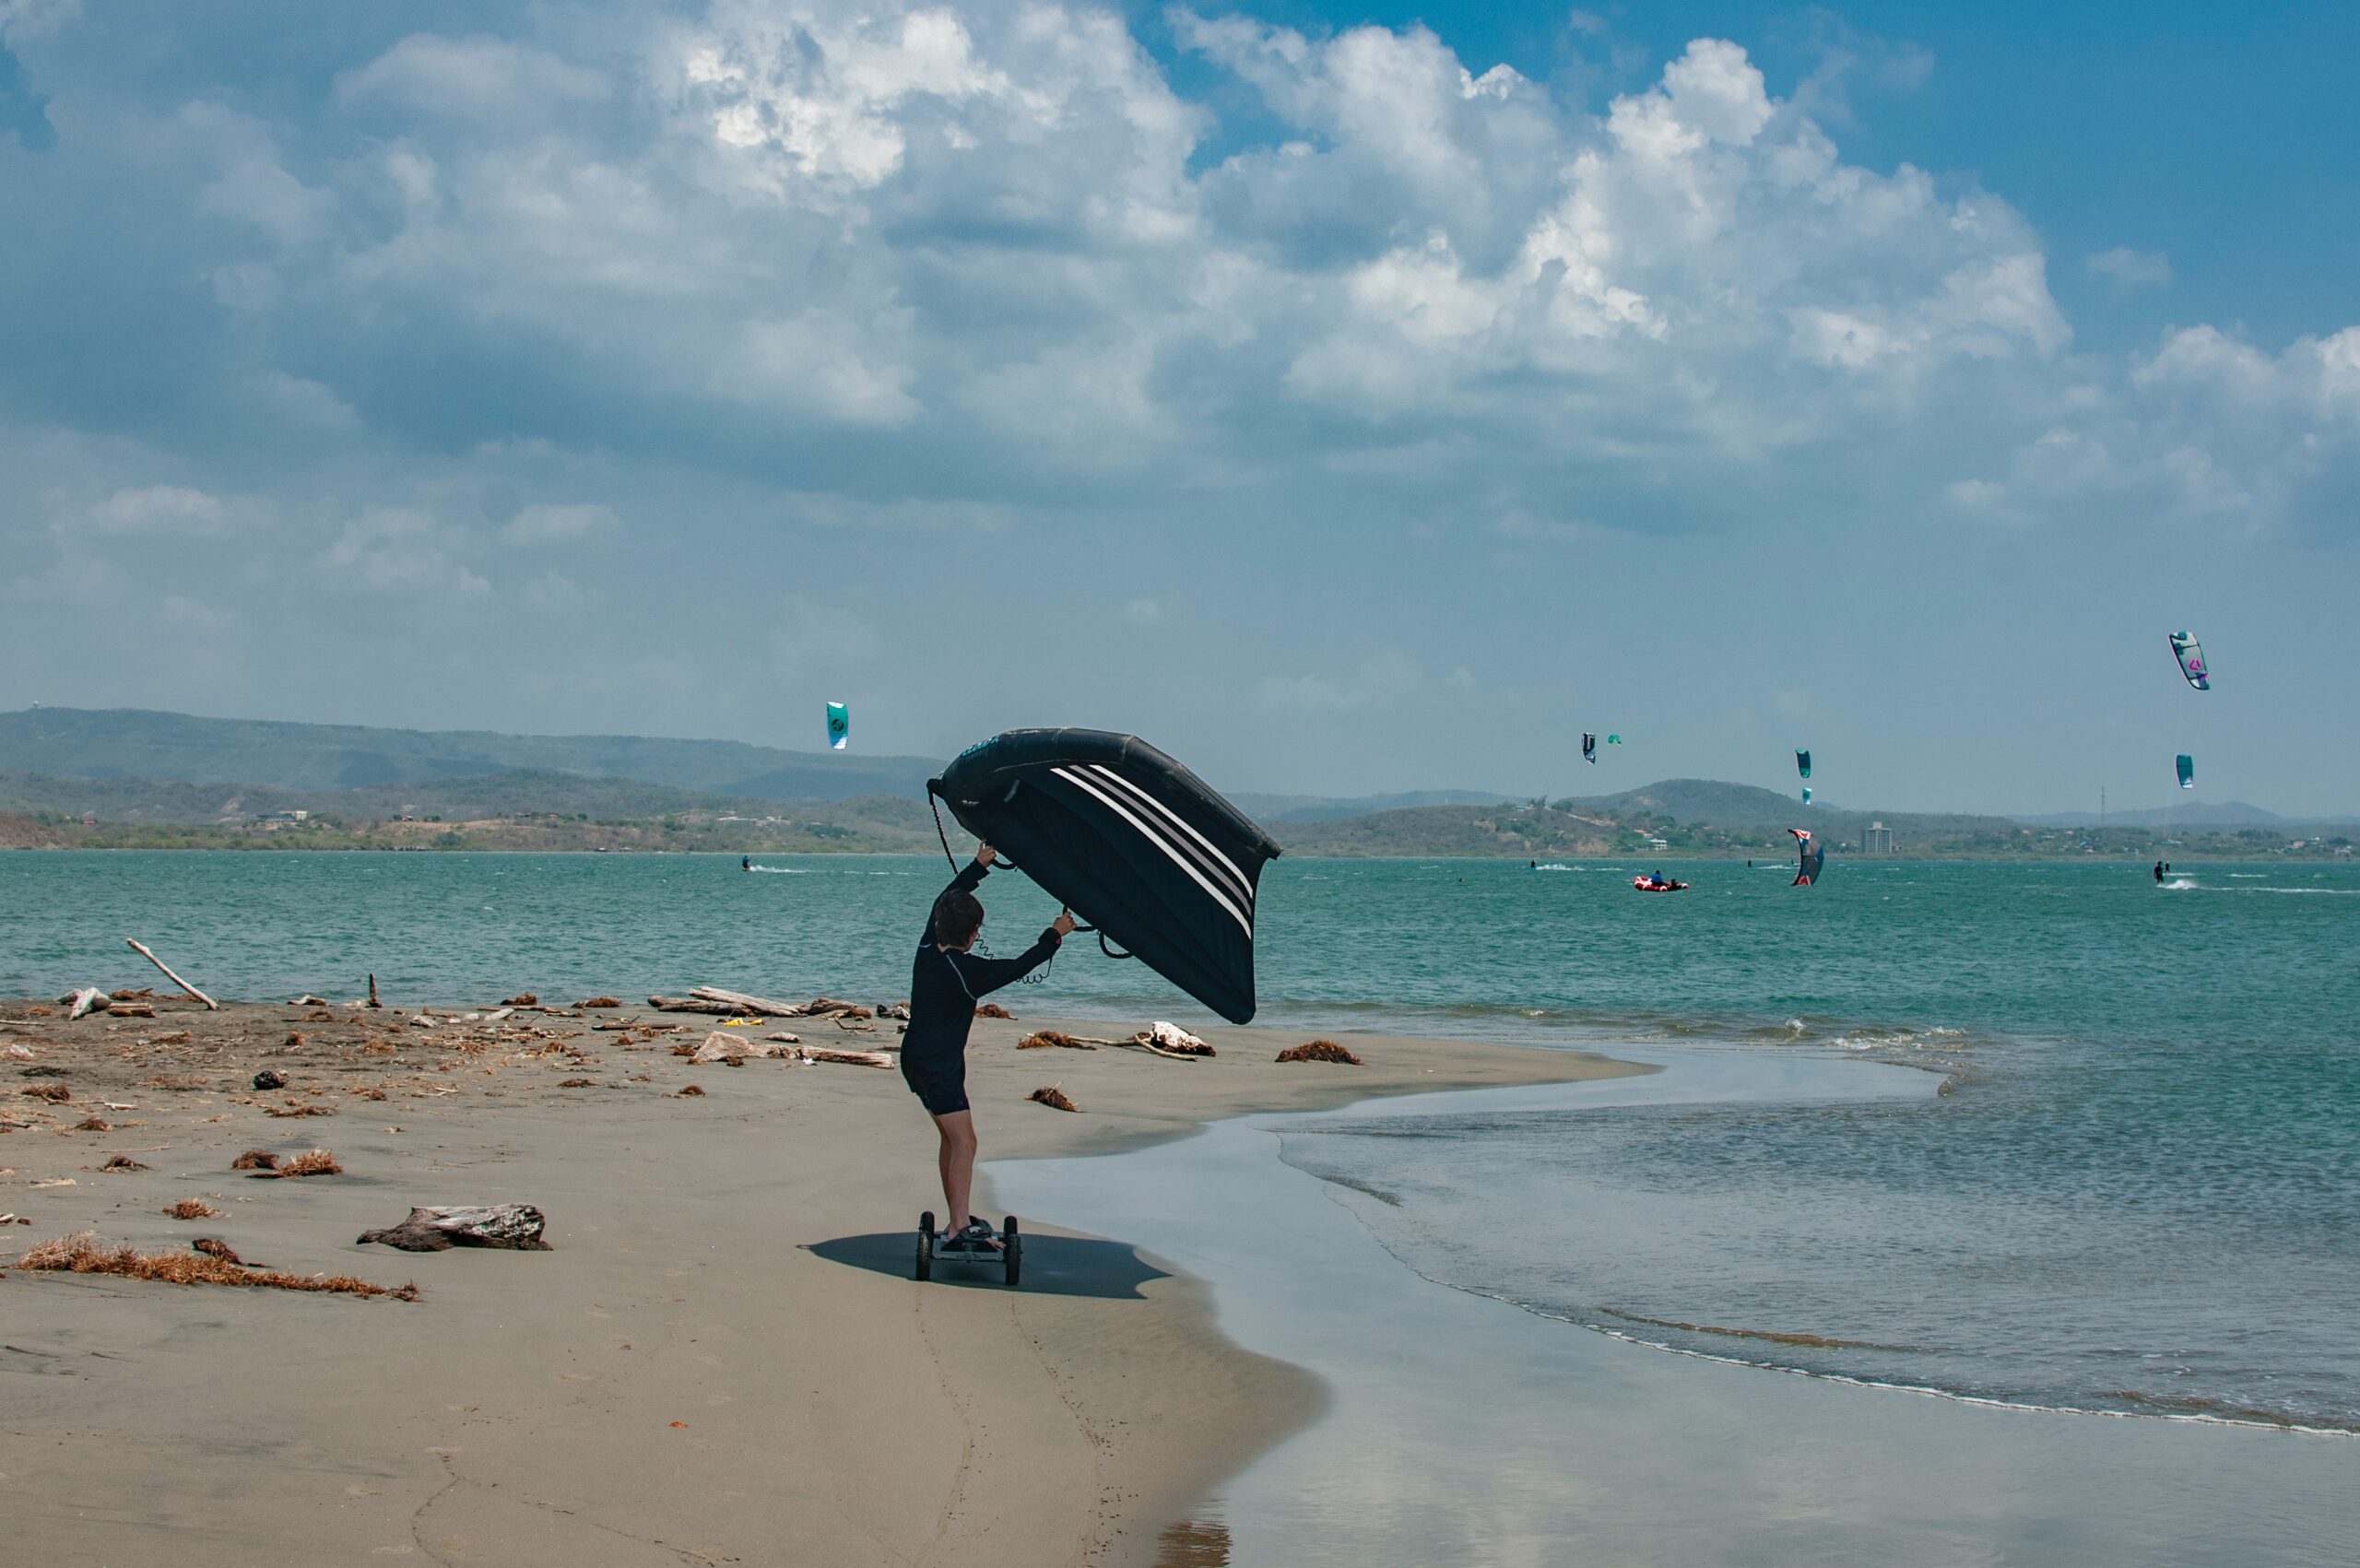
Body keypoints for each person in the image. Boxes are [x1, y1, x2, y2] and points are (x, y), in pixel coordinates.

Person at [904, 844, 1076, 1253]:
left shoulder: (929, 947)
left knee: (952, 1139)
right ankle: (960, 1226)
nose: (979, 935)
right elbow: (1017, 967)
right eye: (978, 930)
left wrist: (979, 866)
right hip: (938, 1066)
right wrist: (1055, 935)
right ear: (970, 934)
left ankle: (956, 1219)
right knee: (966, 1142)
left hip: (916, 1059)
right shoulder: (965, 973)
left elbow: (941, 901)